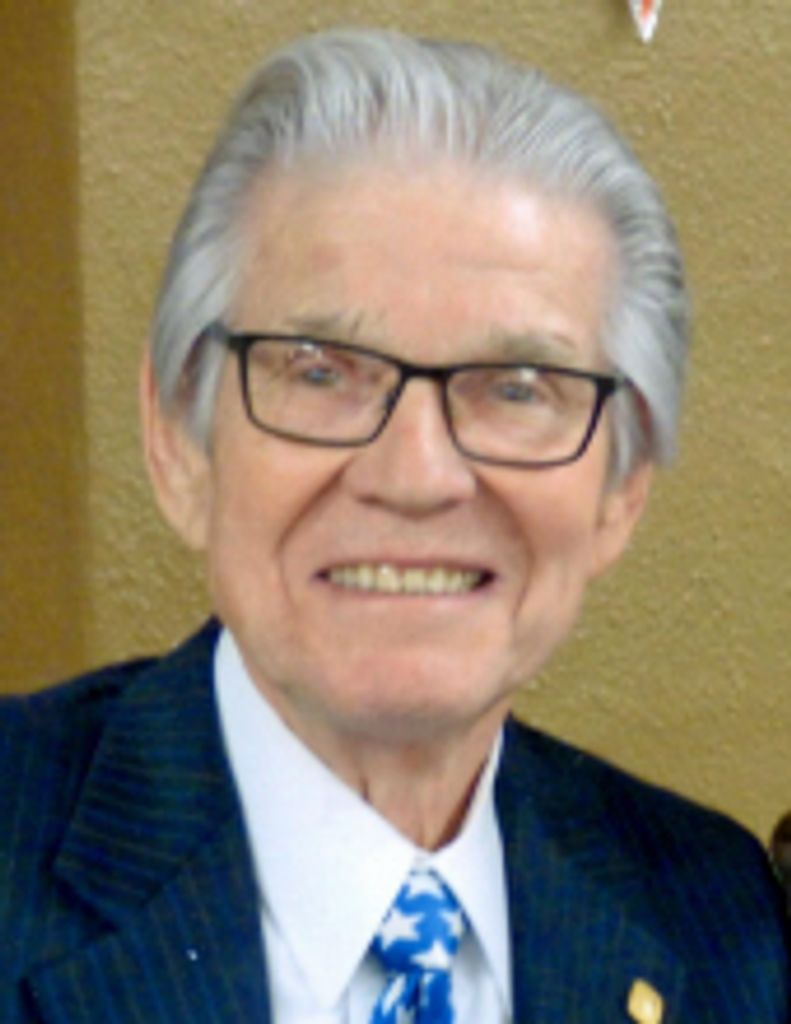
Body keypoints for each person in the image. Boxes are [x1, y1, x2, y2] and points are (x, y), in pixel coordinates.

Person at [1, 27, 788, 1024]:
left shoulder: (724, 922)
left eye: (516, 386)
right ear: (177, 440)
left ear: (619, 487)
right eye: (319, 371)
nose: (415, 476)